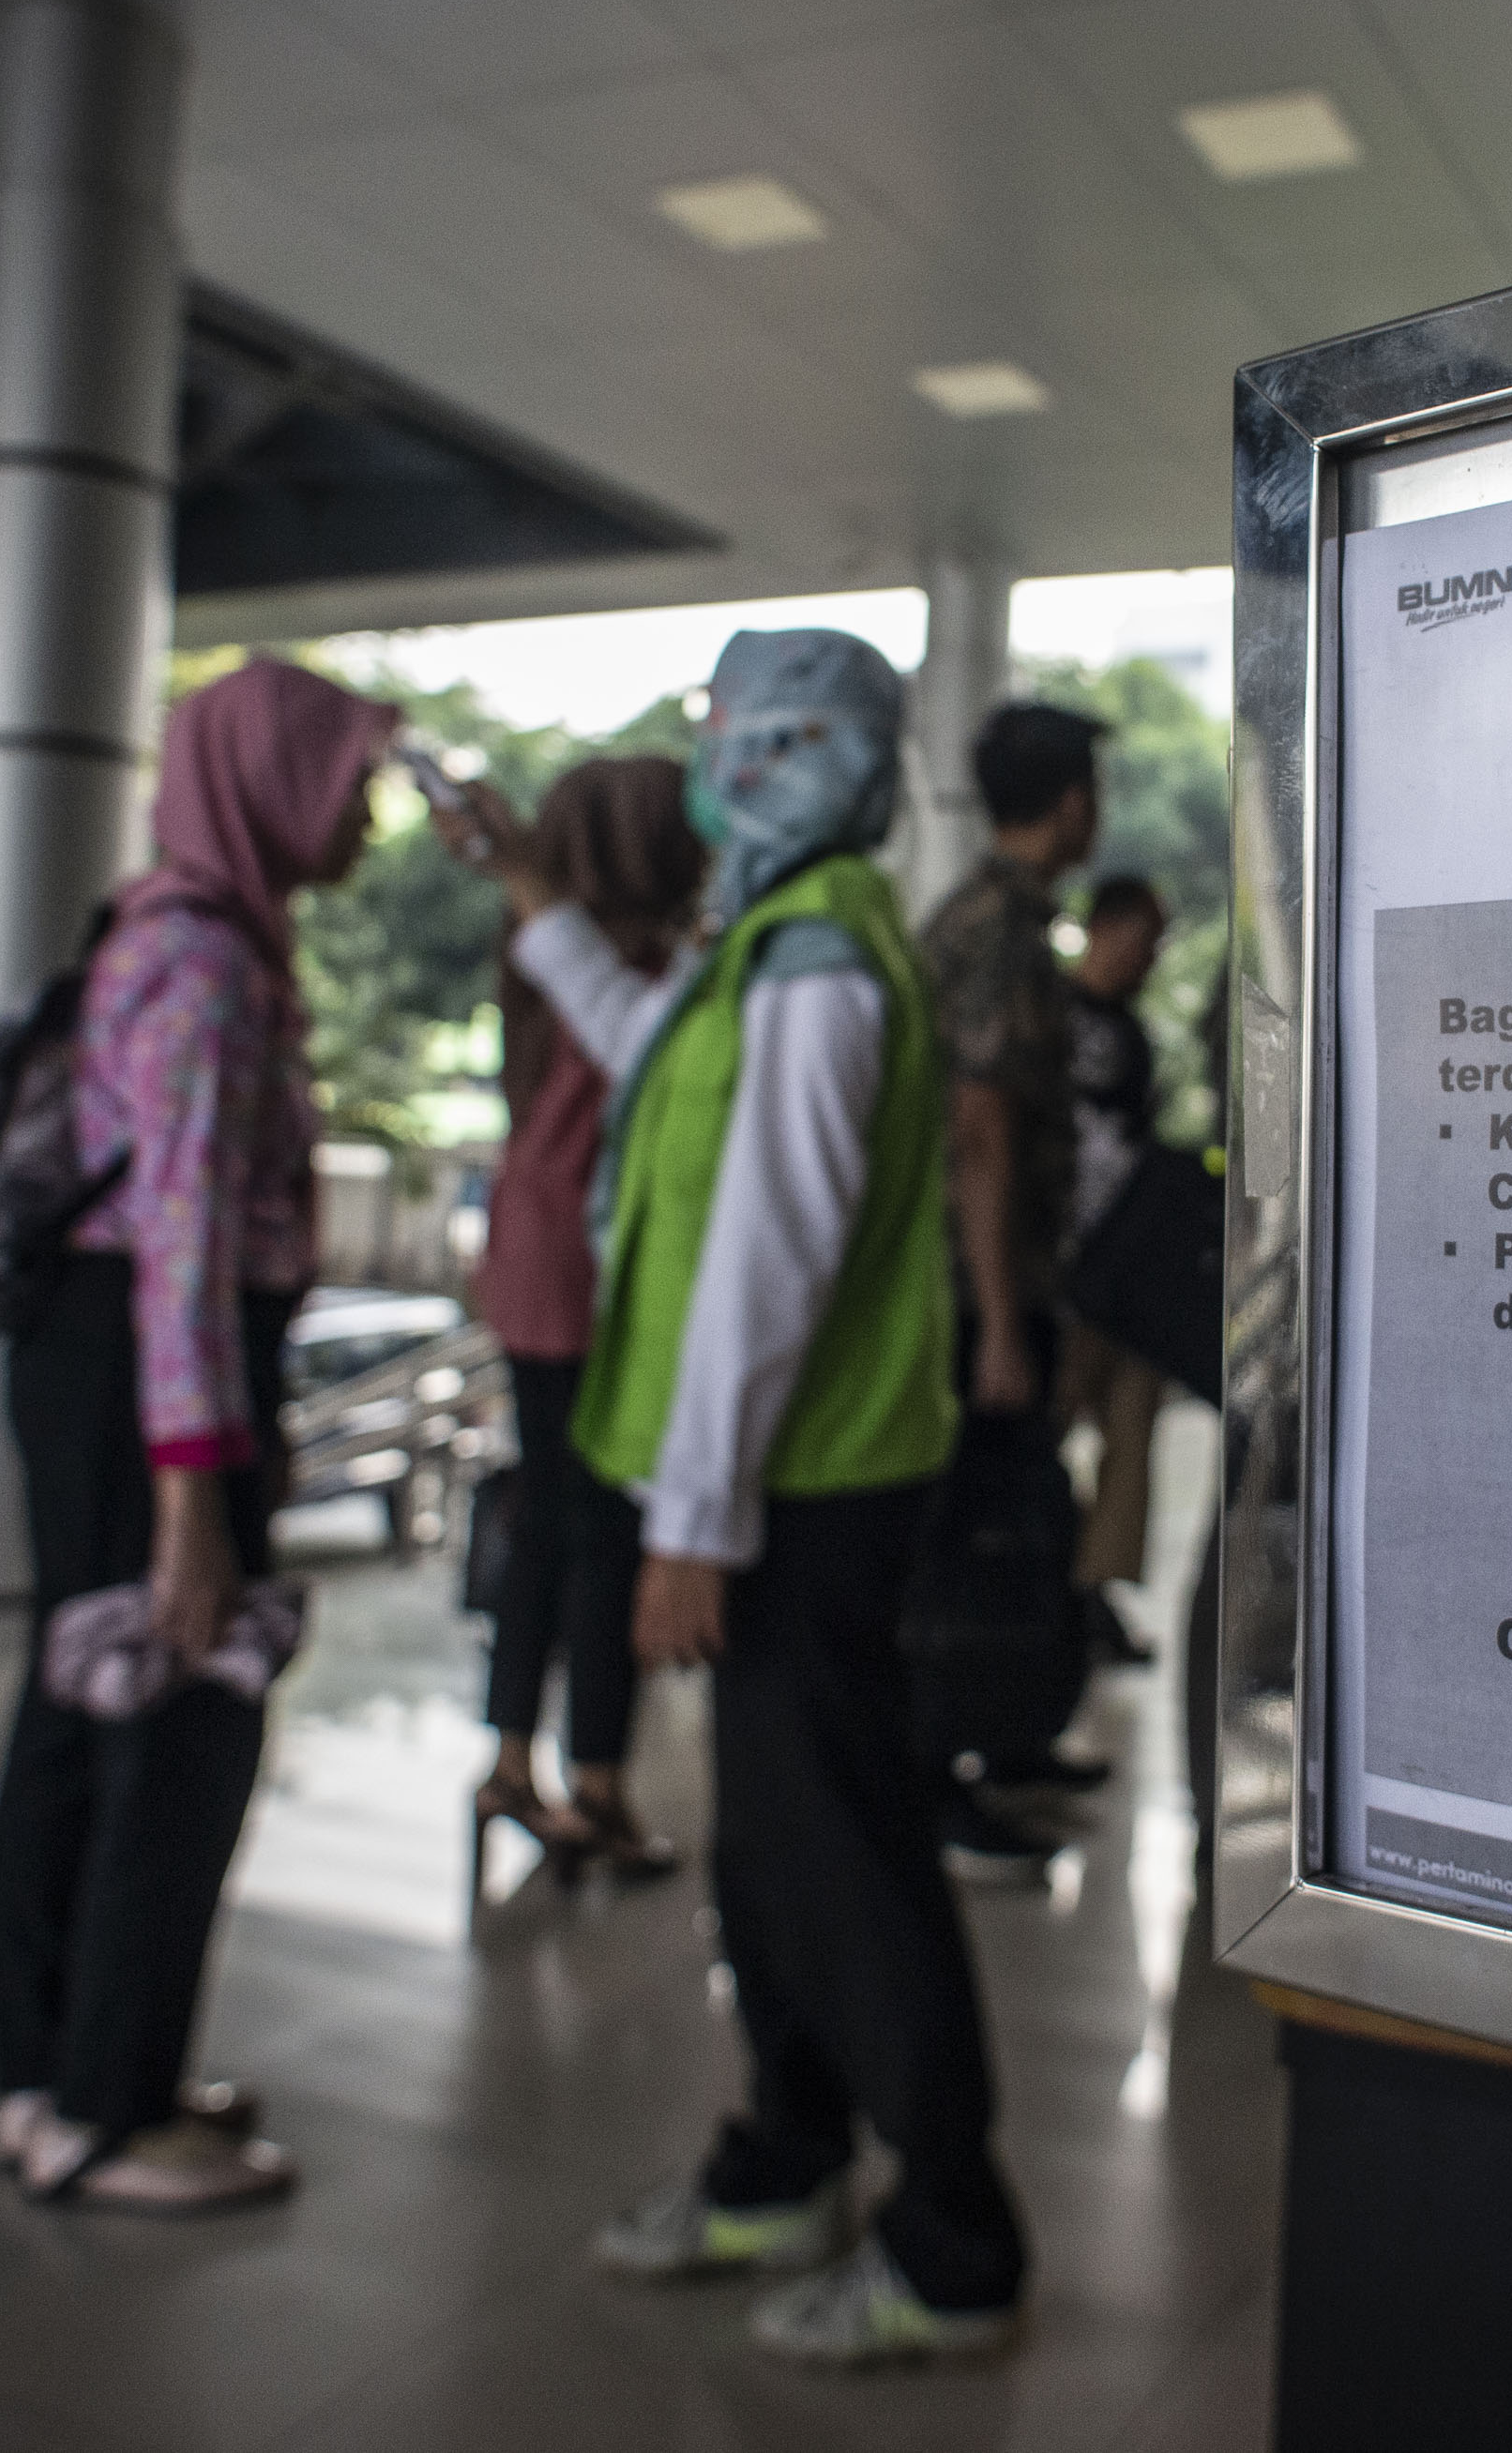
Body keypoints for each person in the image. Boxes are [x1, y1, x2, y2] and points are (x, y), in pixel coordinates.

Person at [448, 628, 1028, 2367]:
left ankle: (956, 2240)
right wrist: (537, 894)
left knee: (840, 1854)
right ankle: (781, 2155)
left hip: (803, 1484)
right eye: (722, 731)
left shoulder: (821, 962)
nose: (727, 763)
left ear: (828, 762)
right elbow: (646, 1054)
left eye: (759, 736)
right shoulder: (764, 946)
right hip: (773, 1475)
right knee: (775, 1851)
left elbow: (766, 1260)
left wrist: (696, 1520)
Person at [0, 656, 396, 2214]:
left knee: (86, 1712)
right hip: (157, 1378)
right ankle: (109, 2106)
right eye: (346, 776)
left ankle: (55, 2083)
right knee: (180, 1718)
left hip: (121, 1367)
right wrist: (191, 1501)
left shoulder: (178, 929)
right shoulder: (210, 966)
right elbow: (178, 1253)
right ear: (270, 777)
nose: (363, 810)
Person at [470, 754, 702, 1883]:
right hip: (597, 1268)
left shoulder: (534, 949)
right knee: (605, 1533)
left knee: (543, 1522)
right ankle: (598, 1783)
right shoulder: (644, 965)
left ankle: (511, 1761)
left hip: (524, 1256)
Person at [916, 701, 1113, 1875]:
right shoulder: (996, 928)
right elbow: (979, 1130)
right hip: (972, 1290)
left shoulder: (997, 917)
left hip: (991, 1281)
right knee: (973, 1539)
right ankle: (941, 1775)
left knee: (1006, 1527)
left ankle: (994, 1745)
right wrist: (998, 1320)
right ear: (1073, 801)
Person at [1056, 873, 1170, 1662]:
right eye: (1144, 937)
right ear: (1106, 928)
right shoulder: (1052, 1016)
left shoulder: (1130, 1032)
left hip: (1125, 1270)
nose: (1152, 957)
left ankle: (1094, 1589)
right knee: (1042, 1432)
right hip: (1059, 1269)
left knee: (1133, 1424)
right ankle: (1050, 1581)